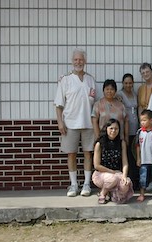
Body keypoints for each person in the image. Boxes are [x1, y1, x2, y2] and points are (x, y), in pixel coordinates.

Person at [54, 48, 96, 197]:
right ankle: (73, 185)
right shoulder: (65, 80)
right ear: (72, 61)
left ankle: (86, 184)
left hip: (88, 124)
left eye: (81, 59)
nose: (78, 62)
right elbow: (58, 105)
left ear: (85, 61)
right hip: (70, 123)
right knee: (71, 154)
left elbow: (93, 103)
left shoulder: (91, 79)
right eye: (76, 60)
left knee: (87, 154)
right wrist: (60, 123)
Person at [92, 118, 134, 204]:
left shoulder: (121, 143)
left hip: (116, 173)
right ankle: (103, 193)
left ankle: (111, 193)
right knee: (112, 179)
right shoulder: (99, 144)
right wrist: (112, 172)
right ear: (106, 129)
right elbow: (97, 165)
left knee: (125, 185)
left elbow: (125, 163)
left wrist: (124, 176)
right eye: (111, 128)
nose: (113, 131)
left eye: (116, 128)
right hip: (100, 174)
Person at [116, 73, 139, 189]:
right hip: (125, 129)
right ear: (122, 83)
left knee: (135, 156)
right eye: (126, 83)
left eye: (130, 83)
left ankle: (135, 181)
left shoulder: (135, 94)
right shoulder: (119, 94)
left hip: (135, 129)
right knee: (127, 156)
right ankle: (126, 181)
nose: (128, 85)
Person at [92, 79, 129, 144]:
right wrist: (98, 138)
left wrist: (126, 138)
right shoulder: (98, 104)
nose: (109, 91)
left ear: (115, 91)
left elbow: (126, 121)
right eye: (107, 89)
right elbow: (94, 121)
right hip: (103, 139)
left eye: (112, 89)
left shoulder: (121, 105)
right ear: (103, 90)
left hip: (119, 139)